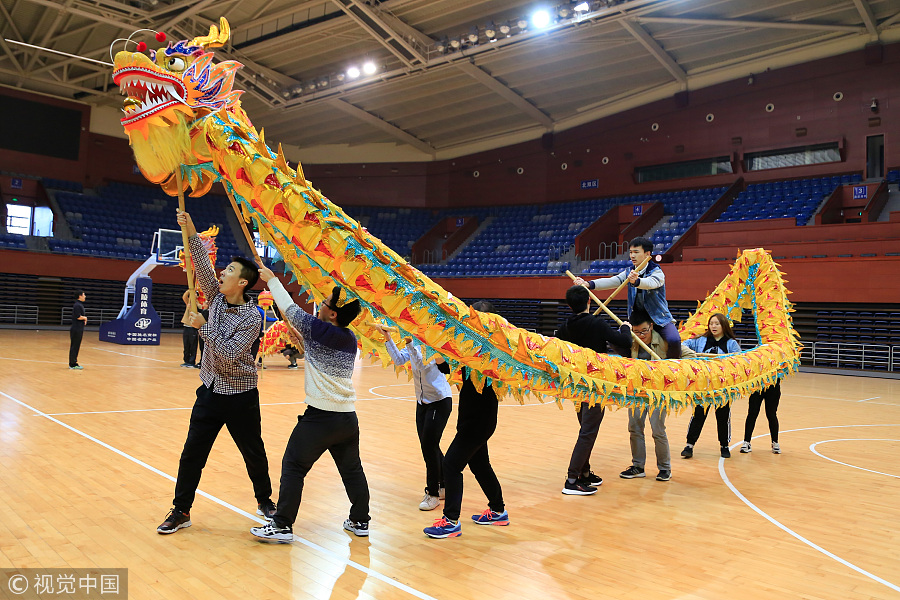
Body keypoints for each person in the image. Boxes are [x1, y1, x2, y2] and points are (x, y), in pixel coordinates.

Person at [157, 210, 276, 535]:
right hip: (209, 392)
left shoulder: (253, 317)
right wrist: (190, 226)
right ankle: (181, 510)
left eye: (230, 271)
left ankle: (265, 501)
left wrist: (203, 326)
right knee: (192, 453)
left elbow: (226, 354)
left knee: (254, 452)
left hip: (240, 398)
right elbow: (200, 259)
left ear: (242, 283)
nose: (221, 273)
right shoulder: (217, 297)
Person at [250, 270, 369, 542]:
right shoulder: (348, 338)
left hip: (320, 419)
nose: (321, 306)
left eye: (325, 303)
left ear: (333, 314)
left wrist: (271, 279)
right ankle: (360, 520)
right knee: (352, 471)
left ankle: (281, 525)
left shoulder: (321, 329)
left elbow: (290, 309)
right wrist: (303, 342)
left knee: (293, 466)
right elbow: (321, 349)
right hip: (347, 419)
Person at [424, 301, 508, 539]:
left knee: (451, 465)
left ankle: (450, 521)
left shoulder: (490, 352)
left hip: (478, 421)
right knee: (479, 464)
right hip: (474, 419)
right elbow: (449, 366)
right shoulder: (471, 350)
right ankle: (498, 509)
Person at [555, 285, 633, 495]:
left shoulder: (564, 328)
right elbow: (625, 341)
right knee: (588, 432)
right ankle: (572, 480)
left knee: (585, 429)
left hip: (576, 387)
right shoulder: (596, 324)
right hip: (594, 387)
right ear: (589, 301)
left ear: (570, 305)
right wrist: (625, 326)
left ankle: (585, 473)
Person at [375, 324, 453, 511]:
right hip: (422, 403)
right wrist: (388, 338)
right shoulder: (414, 341)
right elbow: (399, 360)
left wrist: (410, 342)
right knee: (430, 446)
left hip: (439, 401)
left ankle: (432, 494)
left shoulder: (433, 344)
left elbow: (420, 363)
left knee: (429, 446)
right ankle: (443, 485)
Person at [618, 309, 696, 482]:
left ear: (651, 326)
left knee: (657, 430)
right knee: (635, 428)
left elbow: (691, 356)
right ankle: (638, 466)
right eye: (636, 331)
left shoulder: (664, 342)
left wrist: (671, 369)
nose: (641, 335)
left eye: (644, 331)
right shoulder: (633, 341)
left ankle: (664, 468)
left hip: (659, 393)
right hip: (638, 392)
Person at [574, 237, 681, 359]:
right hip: (636, 319)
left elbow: (651, 283)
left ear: (647, 254)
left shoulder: (657, 272)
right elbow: (613, 281)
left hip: (659, 318)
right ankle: (632, 359)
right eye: (631, 252)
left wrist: (637, 281)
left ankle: (672, 366)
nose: (632, 256)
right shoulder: (629, 272)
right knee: (614, 339)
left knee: (674, 339)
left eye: (636, 252)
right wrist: (589, 284)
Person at [680, 313, 741, 459]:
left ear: (723, 326)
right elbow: (682, 345)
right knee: (698, 414)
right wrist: (693, 355)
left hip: (722, 387)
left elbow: (739, 361)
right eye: (711, 323)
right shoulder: (701, 340)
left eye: (717, 324)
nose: (713, 326)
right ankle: (689, 445)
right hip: (703, 386)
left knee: (723, 416)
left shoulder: (731, 344)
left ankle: (724, 445)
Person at [741, 380, 781, 454]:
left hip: (773, 386)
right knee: (752, 414)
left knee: (771, 414)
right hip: (757, 385)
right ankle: (747, 442)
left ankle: (775, 442)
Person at [181, 289, 200, 367]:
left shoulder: (198, 305)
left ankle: (192, 361)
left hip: (193, 327)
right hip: (186, 325)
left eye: (195, 294)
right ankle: (186, 360)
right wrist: (190, 290)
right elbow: (184, 296)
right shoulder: (188, 302)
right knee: (186, 345)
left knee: (193, 345)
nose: (193, 294)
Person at [68, 291, 87, 370]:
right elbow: (78, 316)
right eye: (84, 295)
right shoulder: (77, 305)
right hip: (76, 329)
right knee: (74, 346)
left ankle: (73, 362)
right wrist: (85, 318)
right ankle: (73, 364)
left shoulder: (79, 305)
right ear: (80, 296)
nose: (85, 296)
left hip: (78, 328)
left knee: (76, 346)